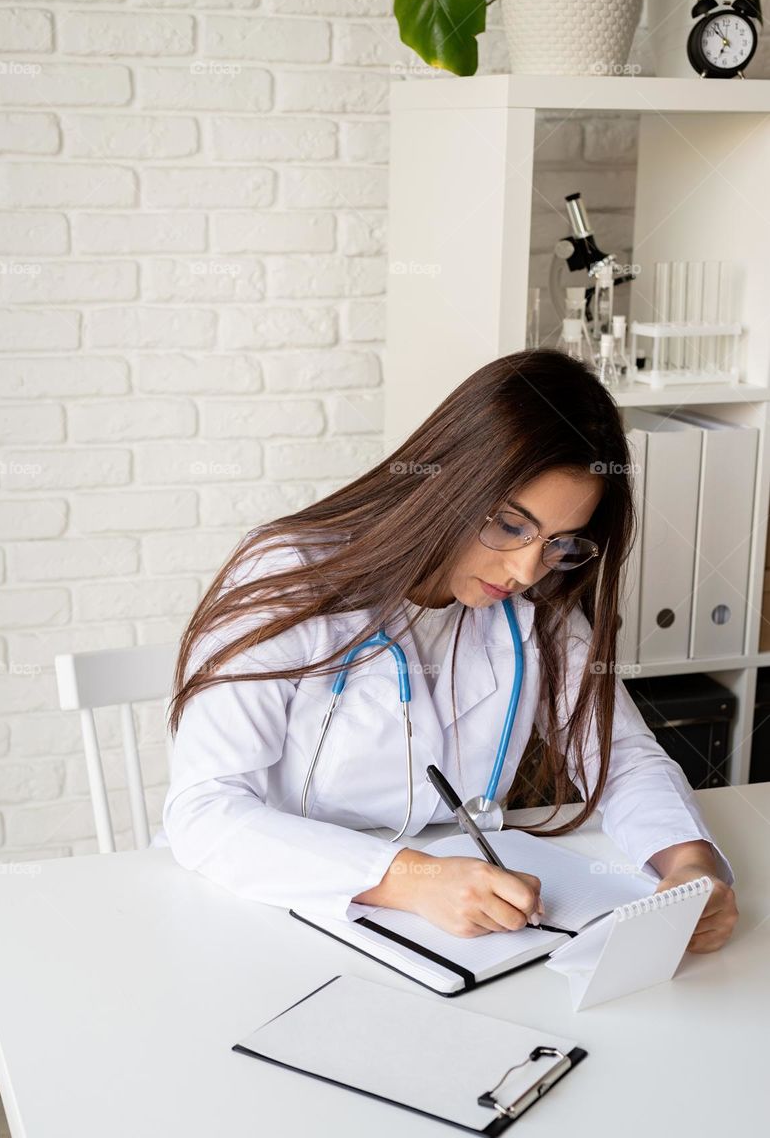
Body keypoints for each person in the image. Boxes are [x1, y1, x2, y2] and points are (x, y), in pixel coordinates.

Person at [158, 348, 738, 954]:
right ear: (448, 484)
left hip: (456, 926)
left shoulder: (539, 602)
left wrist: (690, 868)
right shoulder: (292, 575)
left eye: (559, 543)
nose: (523, 569)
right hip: (268, 910)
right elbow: (206, 813)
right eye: (510, 526)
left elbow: (621, 759)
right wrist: (411, 878)